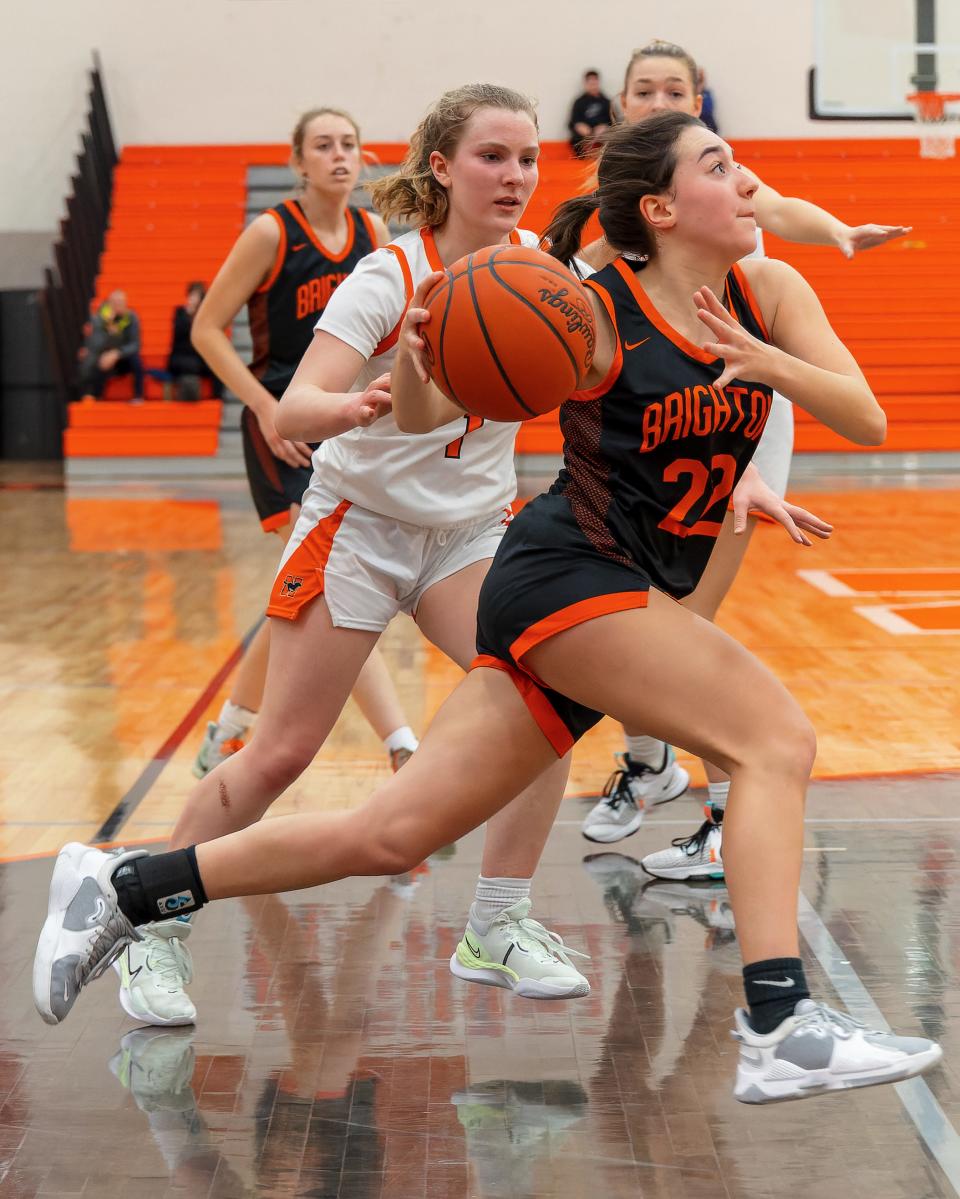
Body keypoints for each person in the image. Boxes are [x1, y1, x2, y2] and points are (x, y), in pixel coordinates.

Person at [34, 110, 942, 1104]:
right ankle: (780, 1020)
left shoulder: (771, 292)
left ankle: (127, 885)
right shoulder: (591, 308)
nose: (751, 180)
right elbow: (444, 409)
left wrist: (765, 386)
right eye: (724, 166)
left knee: (392, 832)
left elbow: (866, 414)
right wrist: (420, 362)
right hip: (570, 575)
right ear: (663, 207)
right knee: (774, 739)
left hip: (555, 570)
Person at [108, 83, 588, 1030]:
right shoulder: (387, 275)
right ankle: (151, 928)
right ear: (441, 168)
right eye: (494, 156)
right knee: (281, 752)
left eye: (528, 158)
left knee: (543, 702)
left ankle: (497, 923)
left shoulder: (540, 269)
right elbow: (295, 409)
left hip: (469, 534)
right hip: (356, 528)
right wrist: (359, 402)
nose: (517, 176)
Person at [108, 107, 416, 1028]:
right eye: (323, 144)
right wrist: (266, 406)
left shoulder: (370, 233)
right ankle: (398, 745)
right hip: (281, 427)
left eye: (351, 144)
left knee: (304, 597)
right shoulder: (269, 232)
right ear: (296, 160)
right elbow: (207, 330)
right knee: (326, 587)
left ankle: (231, 727)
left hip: (343, 425)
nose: (340, 156)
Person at [578, 38, 912, 858]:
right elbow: (560, 284)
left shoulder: (726, 187)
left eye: (675, 89)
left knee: (688, 621)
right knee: (648, 621)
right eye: (645, 90)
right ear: (621, 104)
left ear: (698, 97)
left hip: (747, 406)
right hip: (662, 410)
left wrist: (837, 232)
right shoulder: (620, 217)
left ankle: (711, 808)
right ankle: (649, 760)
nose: (660, 101)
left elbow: (786, 210)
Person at [77, 289, 144, 401]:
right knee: (93, 358)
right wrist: (109, 329)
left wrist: (117, 353)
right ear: (109, 303)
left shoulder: (131, 318)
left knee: (136, 360)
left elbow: (135, 344)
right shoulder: (99, 318)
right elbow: (96, 343)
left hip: (123, 356)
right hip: (104, 355)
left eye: (121, 303)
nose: (118, 306)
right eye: (115, 303)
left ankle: (138, 396)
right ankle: (93, 395)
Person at [166, 282, 223, 400]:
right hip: (180, 357)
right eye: (191, 295)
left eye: (196, 296)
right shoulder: (180, 312)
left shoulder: (205, 315)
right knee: (190, 365)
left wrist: (197, 314)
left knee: (218, 366)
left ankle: (217, 399)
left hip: (198, 357)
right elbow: (179, 332)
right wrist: (189, 314)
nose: (192, 299)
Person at [568, 70, 612, 157]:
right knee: (576, 140)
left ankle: (603, 156)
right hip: (585, 132)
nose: (593, 86)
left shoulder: (606, 101)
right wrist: (579, 126)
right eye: (590, 83)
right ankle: (583, 156)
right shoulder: (579, 102)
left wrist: (605, 127)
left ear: (598, 83)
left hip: (602, 132)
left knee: (611, 137)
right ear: (585, 84)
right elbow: (573, 121)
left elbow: (613, 120)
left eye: (594, 83)